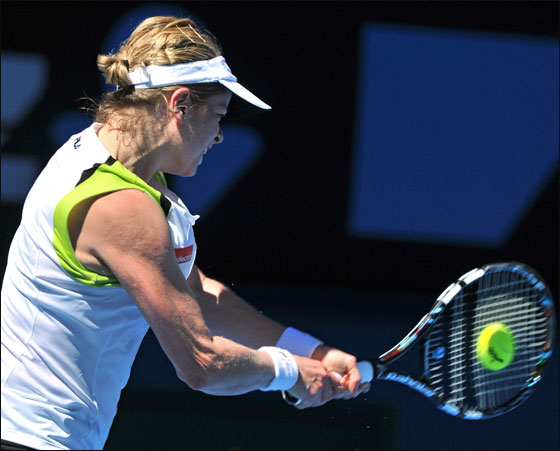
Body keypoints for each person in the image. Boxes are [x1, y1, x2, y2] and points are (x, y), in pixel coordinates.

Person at [1, 16, 369, 450]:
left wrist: (312, 351)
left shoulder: (108, 153)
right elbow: (201, 362)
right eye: (218, 116)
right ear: (179, 104)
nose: (219, 136)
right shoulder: (121, 207)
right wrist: (288, 371)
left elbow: (194, 292)